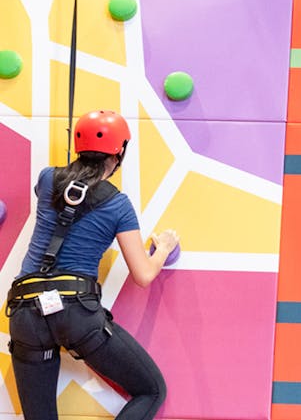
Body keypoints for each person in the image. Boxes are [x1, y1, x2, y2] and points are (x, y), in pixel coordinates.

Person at [6, 110, 180, 420]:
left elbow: (54, 198)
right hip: (76, 314)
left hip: (25, 311)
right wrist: (163, 248)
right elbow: (143, 274)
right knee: (151, 390)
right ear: (119, 153)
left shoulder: (48, 179)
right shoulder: (118, 205)